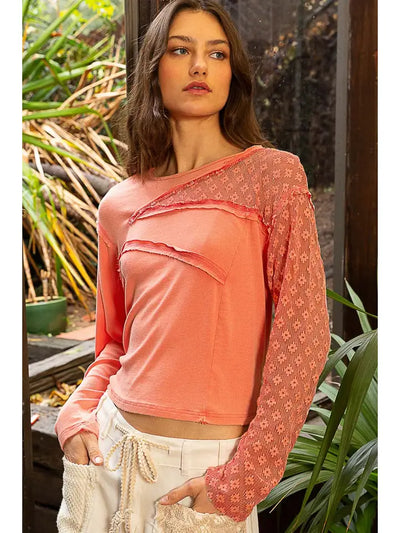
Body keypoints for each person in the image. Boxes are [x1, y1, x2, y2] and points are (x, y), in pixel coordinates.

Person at [55, 1, 331, 532]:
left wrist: (244, 477)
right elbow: (115, 341)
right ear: (154, 69)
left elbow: (304, 334)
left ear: (232, 75)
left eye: (217, 54)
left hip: (202, 476)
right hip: (106, 452)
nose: (200, 65)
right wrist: (75, 414)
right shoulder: (118, 205)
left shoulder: (271, 177)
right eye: (181, 50)